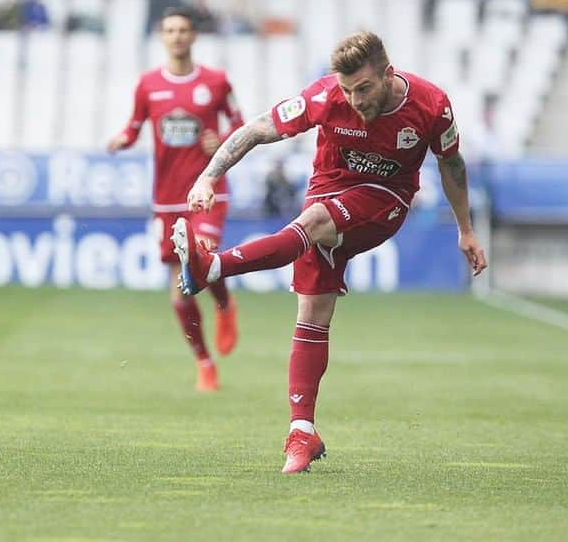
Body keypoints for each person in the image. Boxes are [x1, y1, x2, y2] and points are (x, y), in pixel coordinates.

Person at [171, 31, 488, 472]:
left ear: (388, 75)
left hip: (385, 200)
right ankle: (302, 432)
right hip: (327, 188)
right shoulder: (324, 97)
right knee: (312, 313)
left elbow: (451, 163)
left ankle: (214, 267)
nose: (355, 100)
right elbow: (259, 128)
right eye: (347, 90)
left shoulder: (432, 105)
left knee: (314, 222)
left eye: (364, 88)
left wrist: (465, 229)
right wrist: (209, 175)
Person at [107, 8, 245, 392]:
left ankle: (224, 306)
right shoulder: (148, 85)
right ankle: (204, 363)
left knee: (203, 253)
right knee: (179, 288)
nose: (177, 36)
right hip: (166, 200)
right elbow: (134, 127)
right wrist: (122, 139)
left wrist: (223, 141)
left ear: (194, 35)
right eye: (170, 30)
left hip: (207, 190)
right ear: (162, 36)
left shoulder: (216, 82)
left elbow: (239, 125)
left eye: (184, 29)